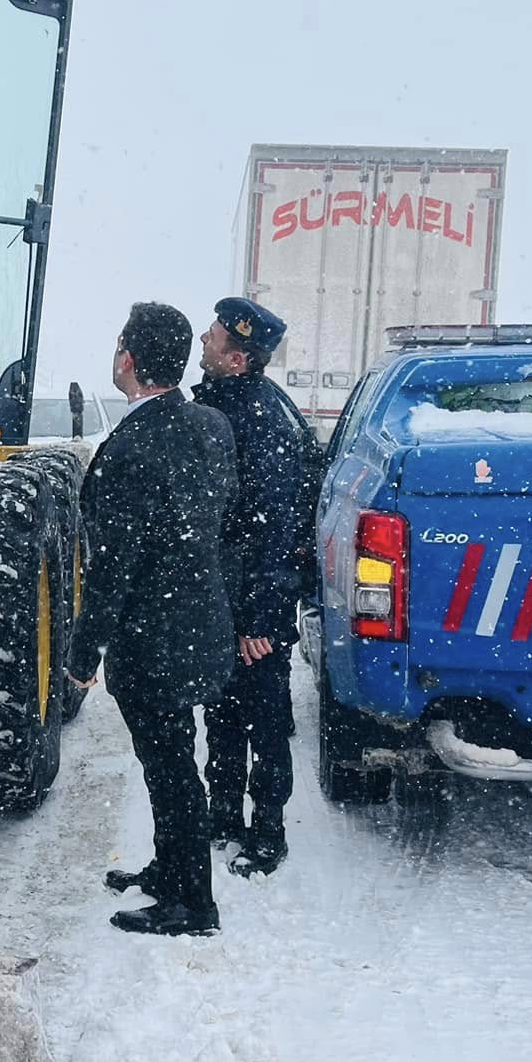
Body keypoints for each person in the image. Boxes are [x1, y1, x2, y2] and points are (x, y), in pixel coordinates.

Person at [65, 302, 238, 937]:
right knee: (174, 763)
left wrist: (84, 657)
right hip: (201, 625)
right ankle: (171, 871)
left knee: (170, 773)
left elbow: (110, 569)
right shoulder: (211, 425)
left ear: (129, 361)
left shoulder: (128, 449)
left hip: (155, 641)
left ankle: (192, 904)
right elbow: (219, 521)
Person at [194, 296, 316, 877]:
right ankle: (223, 813)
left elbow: (276, 526)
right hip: (230, 597)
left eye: (213, 337)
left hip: (253, 602)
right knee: (222, 712)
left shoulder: (260, 419)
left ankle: (268, 831)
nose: (202, 341)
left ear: (237, 359)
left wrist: (261, 619)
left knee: (265, 720)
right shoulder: (231, 402)